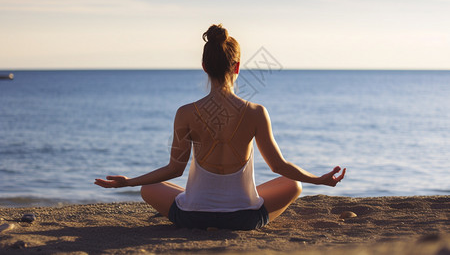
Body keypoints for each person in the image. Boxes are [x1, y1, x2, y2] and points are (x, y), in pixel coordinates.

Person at [95, 24, 346, 230]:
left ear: (204, 67)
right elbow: (279, 166)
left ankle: (204, 201)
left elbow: (174, 169)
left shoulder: (185, 113)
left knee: (148, 187)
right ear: (237, 67)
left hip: (192, 218)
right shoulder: (257, 112)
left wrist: (128, 182)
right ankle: (238, 201)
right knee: (294, 184)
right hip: (244, 220)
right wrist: (318, 179)